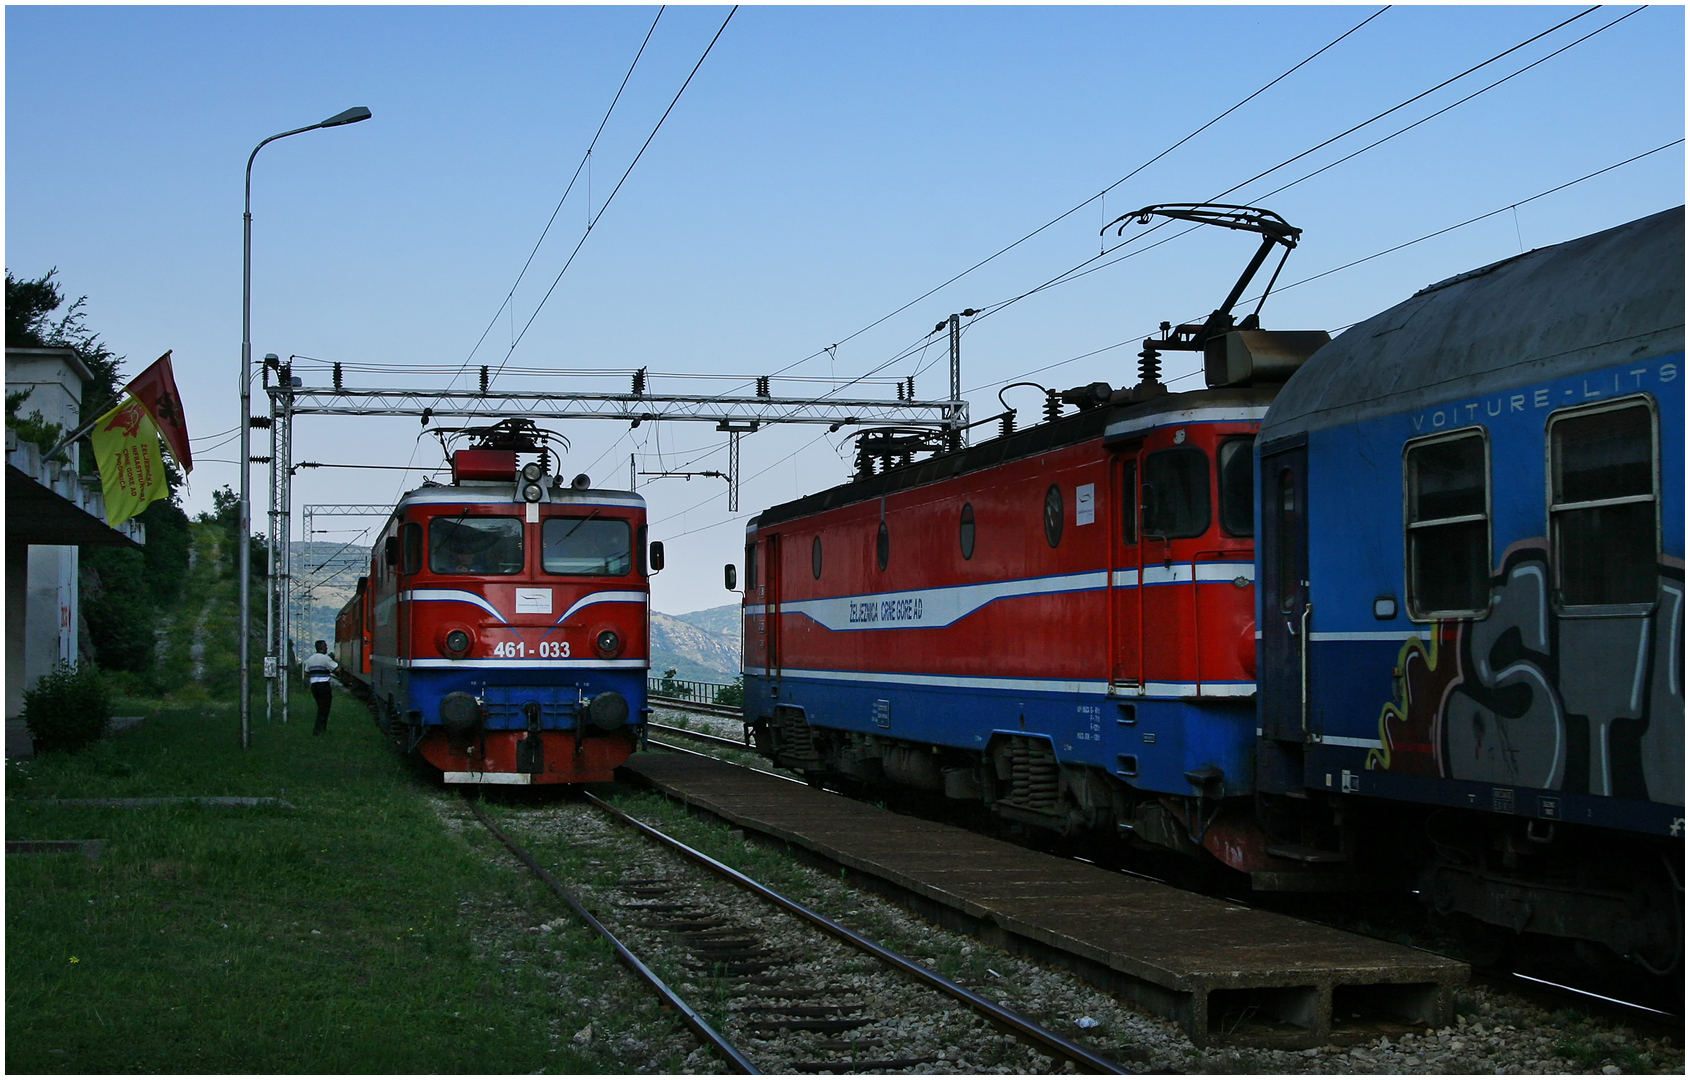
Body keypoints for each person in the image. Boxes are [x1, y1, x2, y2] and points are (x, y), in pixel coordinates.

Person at [302, 640, 339, 735]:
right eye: (326, 646)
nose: (327, 648)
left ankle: (321, 729)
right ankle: (319, 729)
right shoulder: (325, 658)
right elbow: (336, 669)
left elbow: (306, 673)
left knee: (320, 706)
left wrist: (314, 675)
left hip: (314, 686)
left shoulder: (310, 659)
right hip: (324, 685)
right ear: (323, 648)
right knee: (325, 708)